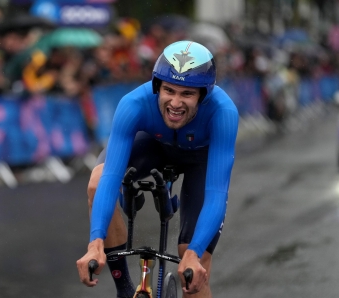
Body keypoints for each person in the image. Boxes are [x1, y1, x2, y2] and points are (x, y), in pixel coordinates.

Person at [76, 41, 239, 298]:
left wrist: (194, 253)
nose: (175, 103)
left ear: (203, 95)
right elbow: (110, 178)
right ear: (157, 87)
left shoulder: (223, 112)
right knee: (97, 182)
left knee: (193, 270)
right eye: (169, 91)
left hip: (200, 158)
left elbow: (216, 193)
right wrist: (95, 243)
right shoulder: (134, 104)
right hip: (153, 145)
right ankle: (124, 289)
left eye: (187, 94)